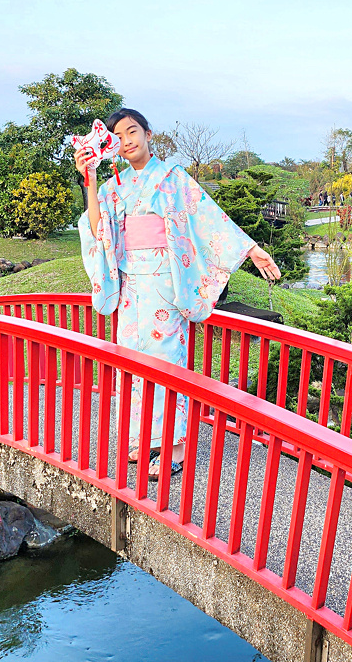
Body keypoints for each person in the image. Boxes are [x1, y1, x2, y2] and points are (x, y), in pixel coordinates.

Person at [76, 108, 281, 479]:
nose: (127, 140)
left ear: (149, 132)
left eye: (133, 131)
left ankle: (176, 446)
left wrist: (251, 249)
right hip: (129, 286)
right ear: (111, 146)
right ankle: (147, 439)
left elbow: (207, 216)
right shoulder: (112, 187)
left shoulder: (172, 178)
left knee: (166, 364)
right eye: (118, 137)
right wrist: (88, 180)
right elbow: (97, 229)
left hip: (166, 284)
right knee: (135, 364)